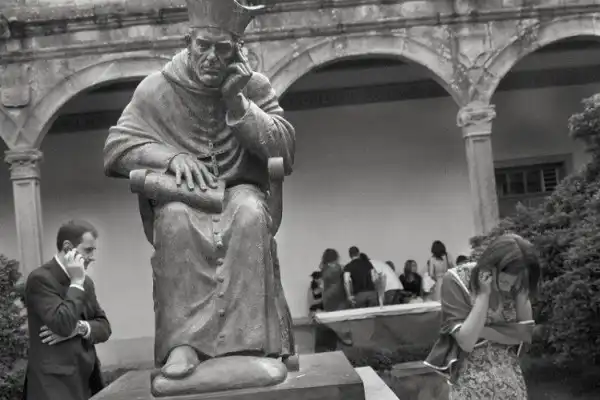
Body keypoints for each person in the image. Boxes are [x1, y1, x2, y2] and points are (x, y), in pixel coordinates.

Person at [103, 0, 296, 390]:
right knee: (174, 219)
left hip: (241, 190)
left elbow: (283, 150)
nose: (211, 57)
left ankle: (249, 344)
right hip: (183, 195)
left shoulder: (254, 85)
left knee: (248, 212)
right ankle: (183, 345)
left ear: (237, 51)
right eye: (203, 46)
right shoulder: (156, 88)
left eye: (222, 49)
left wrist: (237, 102)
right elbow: (116, 150)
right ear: (188, 43)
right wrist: (169, 156)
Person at [424, 234, 540, 399]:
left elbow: (524, 335)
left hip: (511, 382)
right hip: (471, 384)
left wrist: (480, 329)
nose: (509, 290)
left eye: (516, 284)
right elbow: (467, 342)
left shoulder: (518, 282)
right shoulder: (457, 280)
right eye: (505, 283)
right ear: (491, 267)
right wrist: (483, 296)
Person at [23, 220, 112, 400]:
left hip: (87, 382)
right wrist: (76, 282)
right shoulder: (40, 279)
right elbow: (63, 325)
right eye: (88, 250)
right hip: (53, 386)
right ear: (68, 247)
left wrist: (79, 328)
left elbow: (104, 327)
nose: (92, 257)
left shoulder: (87, 283)